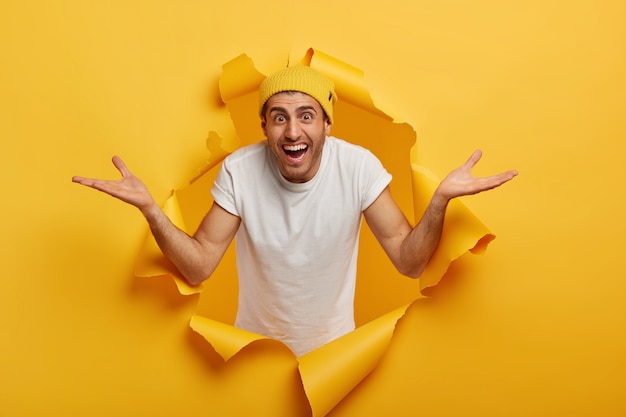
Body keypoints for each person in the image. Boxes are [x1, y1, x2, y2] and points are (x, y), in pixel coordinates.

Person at [72, 65, 517, 356]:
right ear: (264, 126)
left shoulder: (357, 165)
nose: (293, 130)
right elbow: (198, 266)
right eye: (279, 117)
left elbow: (408, 259)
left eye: (307, 115)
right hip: (254, 356)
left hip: (335, 356)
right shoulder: (240, 170)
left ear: (327, 124)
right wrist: (151, 210)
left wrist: (439, 201)